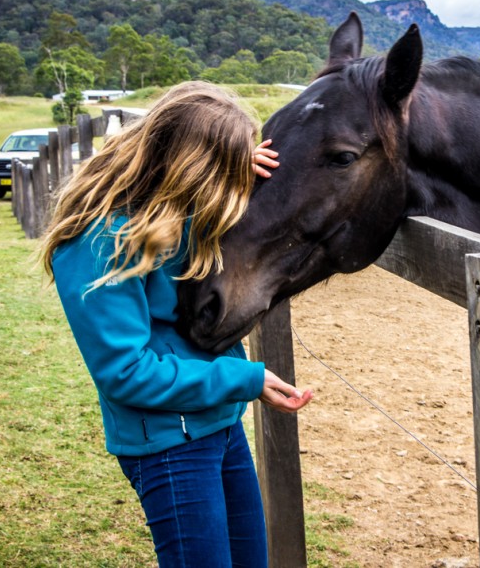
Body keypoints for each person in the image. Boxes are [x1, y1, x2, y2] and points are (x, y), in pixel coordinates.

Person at [39, 81, 313, 567]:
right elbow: (126, 373)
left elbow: (197, 233)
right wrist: (245, 378)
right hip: (168, 445)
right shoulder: (98, 241)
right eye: (220, 176)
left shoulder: (171, 212)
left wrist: (238, 171)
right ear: (189, 167)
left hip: (220, 425)